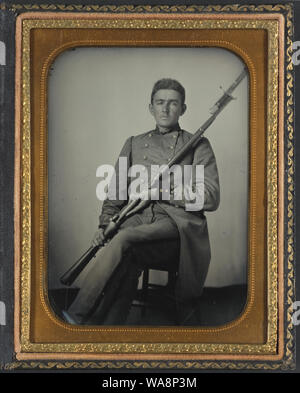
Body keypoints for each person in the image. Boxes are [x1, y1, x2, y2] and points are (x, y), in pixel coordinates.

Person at [62, 78, 220, 326]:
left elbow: (210, 198)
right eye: (160, 103)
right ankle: (110, 329)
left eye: (173, 104)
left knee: (124, 239)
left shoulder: (198, 144)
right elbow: (116, 191)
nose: (165, 109)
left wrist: (161, 192)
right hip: (137, 220)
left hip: (176, 227)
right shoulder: (133, 143)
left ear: (183, 109)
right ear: (151, 107)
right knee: (127, 253)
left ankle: (77, 315)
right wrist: (105, 225)